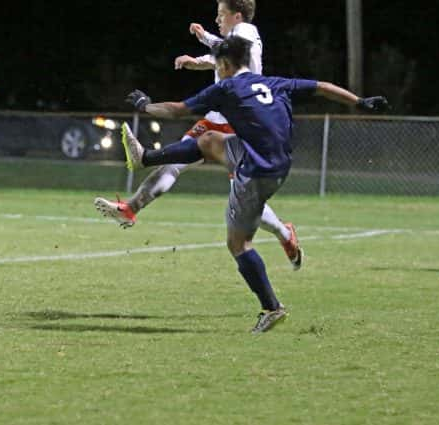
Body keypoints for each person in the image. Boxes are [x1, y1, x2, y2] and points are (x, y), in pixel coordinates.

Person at [120, 36, 388, 333]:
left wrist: (146, 105)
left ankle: (271, 308)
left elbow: (177, 110)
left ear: (223, 64)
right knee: (208, 140)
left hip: (258, 170)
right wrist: (359, 102)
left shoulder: (226, 87)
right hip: (275, 159)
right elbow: (322, 87)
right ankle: (146, 157)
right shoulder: (273, 83)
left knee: (238, 243)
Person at [94, 0, 303, 271]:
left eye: (221, 14)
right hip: (217, 118)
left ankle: (285, 234)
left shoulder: (247, 32)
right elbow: (223, 48)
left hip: (237, 122)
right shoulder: (236, 35)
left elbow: (227, 51)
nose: (218, 20)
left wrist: (200, 50)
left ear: (237, 16)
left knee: (246, 200)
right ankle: (131, 208)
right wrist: (205, 39)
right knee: (175, 162)